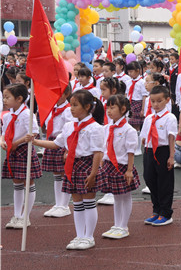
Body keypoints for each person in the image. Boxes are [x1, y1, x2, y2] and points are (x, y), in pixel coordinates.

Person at [31, 90, 106, 250]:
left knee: (89, 202)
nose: (71, 108)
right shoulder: (68, 126)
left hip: (87, 165)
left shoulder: (95, 128)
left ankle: (89, 236)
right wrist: (35, 141)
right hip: (73, 166)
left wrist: (93, 174)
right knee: (77, 203)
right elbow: (56, 144)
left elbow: (98, 153)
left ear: (87, 107)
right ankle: (79, 235)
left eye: (75, 105)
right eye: (71, 104)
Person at [99, 95, 140, 239]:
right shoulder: (107, 127)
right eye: (107, 107)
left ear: (123, 109)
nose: (109, 111)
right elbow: (105, 145)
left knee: (125, 196)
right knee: (116, 197)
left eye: (112, 107)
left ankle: (124, 225)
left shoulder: (129, 130)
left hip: (122, 167)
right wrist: (103, 160)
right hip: (110, 166)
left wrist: (129, 170)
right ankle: (117, 224)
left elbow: (130, 151)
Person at [2, 84, 41, 229]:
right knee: (16, 183)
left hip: (23, 150)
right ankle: (17, 215)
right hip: (12, 151)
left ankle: (26, 216)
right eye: (4, 97)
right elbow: (4, 131)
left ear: (19, 98)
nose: (4, 100)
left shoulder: (26, 114)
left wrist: (17, 143)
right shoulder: (7, 115)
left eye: (7, 97)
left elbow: (33, 132)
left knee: (28, 182)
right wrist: (2, 141)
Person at [140, 86, 178, 226]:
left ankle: (165, 213)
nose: (155, 104)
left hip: (163, 151)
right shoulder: (149, 117)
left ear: (167, 100)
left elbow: (171, 137)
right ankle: (156, 210)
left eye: (159, 101)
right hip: (150, 151)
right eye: (153, 101)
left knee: (164, 182)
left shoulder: (170, 117)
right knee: (150, 179)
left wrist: (171, 156)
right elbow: (144, 138)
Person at [41, 85, 74, 218]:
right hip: (52, 141)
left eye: (58, 93)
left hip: (63, 142)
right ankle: (58, 203)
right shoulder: (52, 108)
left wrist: (68, 148)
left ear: (66, 94)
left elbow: (70, 130)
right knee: (56, 173)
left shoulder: (68, 110)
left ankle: (64, 205)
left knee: (64, 173)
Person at [126, 61, 147, 131]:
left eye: (131, 71)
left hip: (138, 104)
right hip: (129, 103)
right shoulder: (128, 82)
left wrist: (143, 109)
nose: (129, 73)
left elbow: (144, 96)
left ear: (138, 71)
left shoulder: (142, 82)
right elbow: (126, 94)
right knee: (129, 123)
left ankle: (137, 139)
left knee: (136, 125)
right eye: (128, 72)